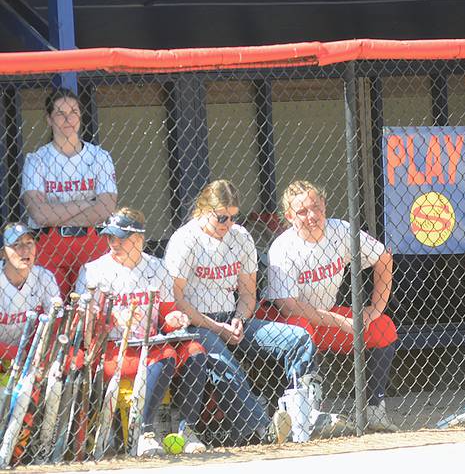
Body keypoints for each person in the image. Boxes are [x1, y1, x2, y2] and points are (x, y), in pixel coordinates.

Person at [163, 179, 337, 444]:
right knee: (226, 365)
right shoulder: (186, 240)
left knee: (299, 339)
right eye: (222, 217)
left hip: (232, 320)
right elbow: (176, 300)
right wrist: (215, 326)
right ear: (203, 210)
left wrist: (239, 319)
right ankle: (262, 429)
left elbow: (247, 294)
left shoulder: (240, 237)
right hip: (195, 323)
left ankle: (306, 416)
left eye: (233, 217)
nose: (227, 224)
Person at [263, 180, 399, 432]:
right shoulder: (283, 247)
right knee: (300, 330)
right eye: (302, 212)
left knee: (384, 328)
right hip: (290, 321)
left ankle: (374, 408)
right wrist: (339, 321)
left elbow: (383, 257)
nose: (312, 216)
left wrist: (375, 309)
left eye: (315, 206)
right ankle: (309, 413)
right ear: (290, 216)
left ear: (324, 204)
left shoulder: (340, 230)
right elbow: (289, 306)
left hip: (326, 315)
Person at [76, 208, 208, 456]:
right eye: (110, 238)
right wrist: (112, 318)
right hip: (116, 347)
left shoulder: (157, 267)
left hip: (153, 343)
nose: (113, 243)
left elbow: (166, 316)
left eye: (120, 238)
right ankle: (144, 432)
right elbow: (87, 328)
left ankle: (187, 430)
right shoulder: (93, 270)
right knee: (166, 355)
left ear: (138, 239)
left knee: (195, 352)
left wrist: (174, 318)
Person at [21, 87, 117, 297]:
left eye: (73, 111)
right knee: (52, 312)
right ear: (49, 119)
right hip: (49, 243)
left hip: (92, 241)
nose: (68, 118)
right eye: (60, 113)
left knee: (92, 311)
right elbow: (39, 215)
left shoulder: (100, 157)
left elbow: (106, 210)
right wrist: (86, 204)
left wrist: (56, 212)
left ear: (81, 116)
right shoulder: (36, 160)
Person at [0, 223, 60, 363]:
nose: (25, 250)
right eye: (16, 245)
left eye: (29, 243)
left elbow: (55, 324)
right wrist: (12, 353)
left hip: (26, 351)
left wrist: (43, 349)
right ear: (3, 252)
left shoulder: (45, 277)